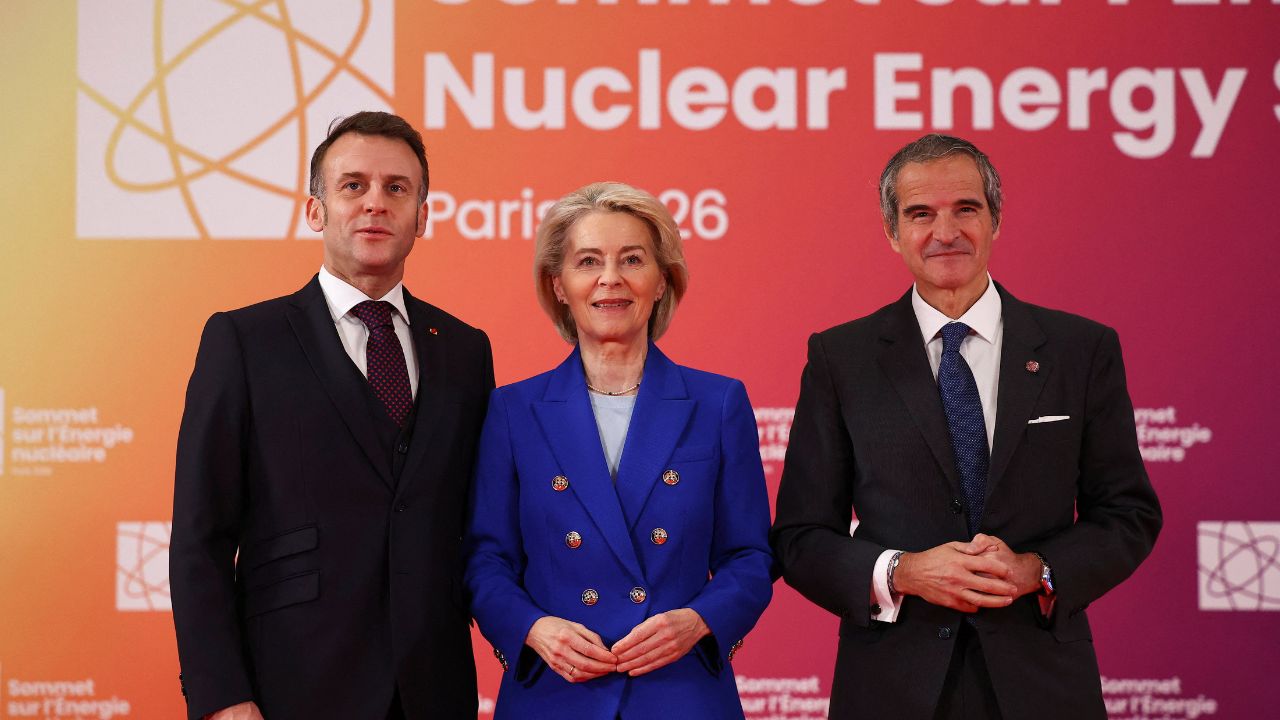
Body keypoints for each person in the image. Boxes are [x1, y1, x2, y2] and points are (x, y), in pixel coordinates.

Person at [770, 134, 1161, 720]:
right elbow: (801, 537)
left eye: (966, 209)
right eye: (920, 214)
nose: (945, 232)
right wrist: (904, 573)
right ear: (892, 231)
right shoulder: (839, 359)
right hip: (891, 687)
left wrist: (1038, 571)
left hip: (1044, 685)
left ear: (995, 220)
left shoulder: (1081, 349)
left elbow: (1128, 513)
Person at [170, 111, 493, 720]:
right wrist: (222, 697)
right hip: (287, 689)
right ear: (315, 209)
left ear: (422, 215)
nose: (376, 203)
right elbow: (200, 536)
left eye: (397, 188)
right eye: (353, 186)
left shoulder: (464, 349)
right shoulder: (244, 340)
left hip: (435, 689)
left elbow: (478, 526)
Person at [465, 181, 773, 719]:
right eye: (588, 261)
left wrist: (699, 621)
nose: (611, 279)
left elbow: (748, 557)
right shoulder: (513, 410)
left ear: (661, 281)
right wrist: (533, 628)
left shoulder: (718, 402)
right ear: (559, 285)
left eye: (632, 259)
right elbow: (487, 559)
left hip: (679, 693)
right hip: (556, 693)